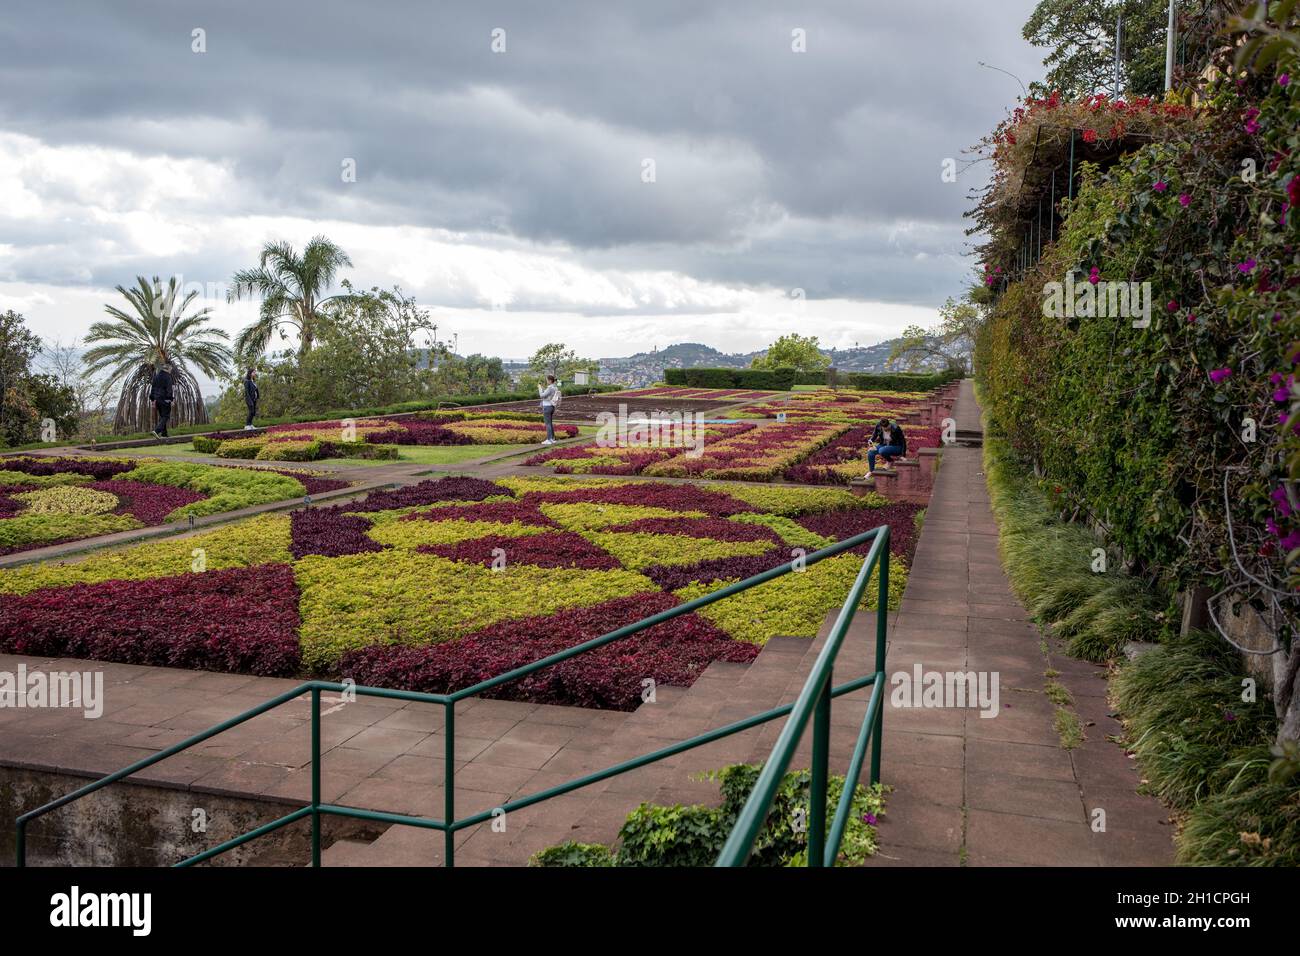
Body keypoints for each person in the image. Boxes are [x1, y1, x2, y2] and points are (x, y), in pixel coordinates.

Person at [149, 362, 174, 438]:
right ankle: (156, 431)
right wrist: (170, 399)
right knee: (166, 416)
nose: (170, 371)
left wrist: (152, 399)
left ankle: (164, 433)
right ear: (168, 369)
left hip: (157, 400)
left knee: (163, 416)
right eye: (170, 369)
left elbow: (153, 389)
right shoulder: (167, 376)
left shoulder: (156, 377)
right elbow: (169, 389)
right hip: (165, 399)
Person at [538, 374, 561, 444]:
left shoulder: (550, 388)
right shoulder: (555, 387)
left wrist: (539, 388)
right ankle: (552, 438)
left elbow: (542, 395)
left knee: (547, 423)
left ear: (550, 380)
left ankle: (549, 439)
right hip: (552, 406)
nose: (546, 381)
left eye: (547, 380)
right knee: (550, 423)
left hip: (547, 406)